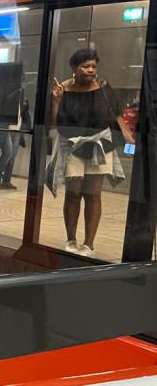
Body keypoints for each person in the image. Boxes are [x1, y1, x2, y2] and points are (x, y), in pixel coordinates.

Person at [47, 48, 132, 257]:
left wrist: (129, 137)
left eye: (94, 66)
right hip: (72, 145)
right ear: (74, 67)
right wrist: (56, 100)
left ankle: (89, 243)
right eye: (86, 66)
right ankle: (71, 239)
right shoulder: (63, 88)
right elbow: (53, 123)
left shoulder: (102, 87)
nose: (91, 70)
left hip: (100, 144)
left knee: (93, 195)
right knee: (73, 193)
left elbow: (117, 114)